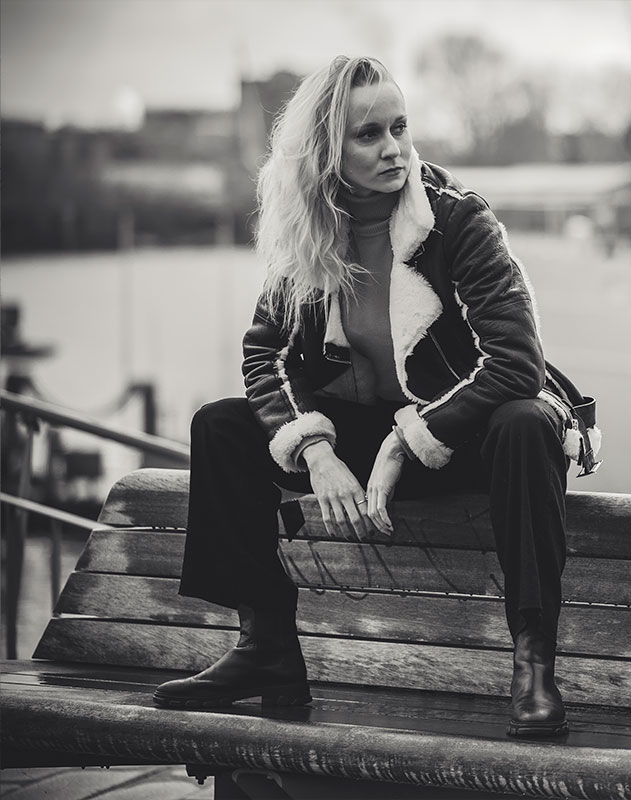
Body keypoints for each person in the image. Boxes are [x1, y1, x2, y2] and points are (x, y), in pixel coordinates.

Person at [152, 55, 600, 739]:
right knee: (220, 427)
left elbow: (516, 363)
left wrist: (405, 440)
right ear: (326, 151)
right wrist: (313, 448)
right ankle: (266, 646)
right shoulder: (305, 232)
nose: (394, 148)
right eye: (369, 134)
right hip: (364, 440)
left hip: (464, 438)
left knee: (525, 422)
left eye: (400, 127)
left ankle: (534, 663)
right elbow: (263, 355)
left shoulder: (457, 221)